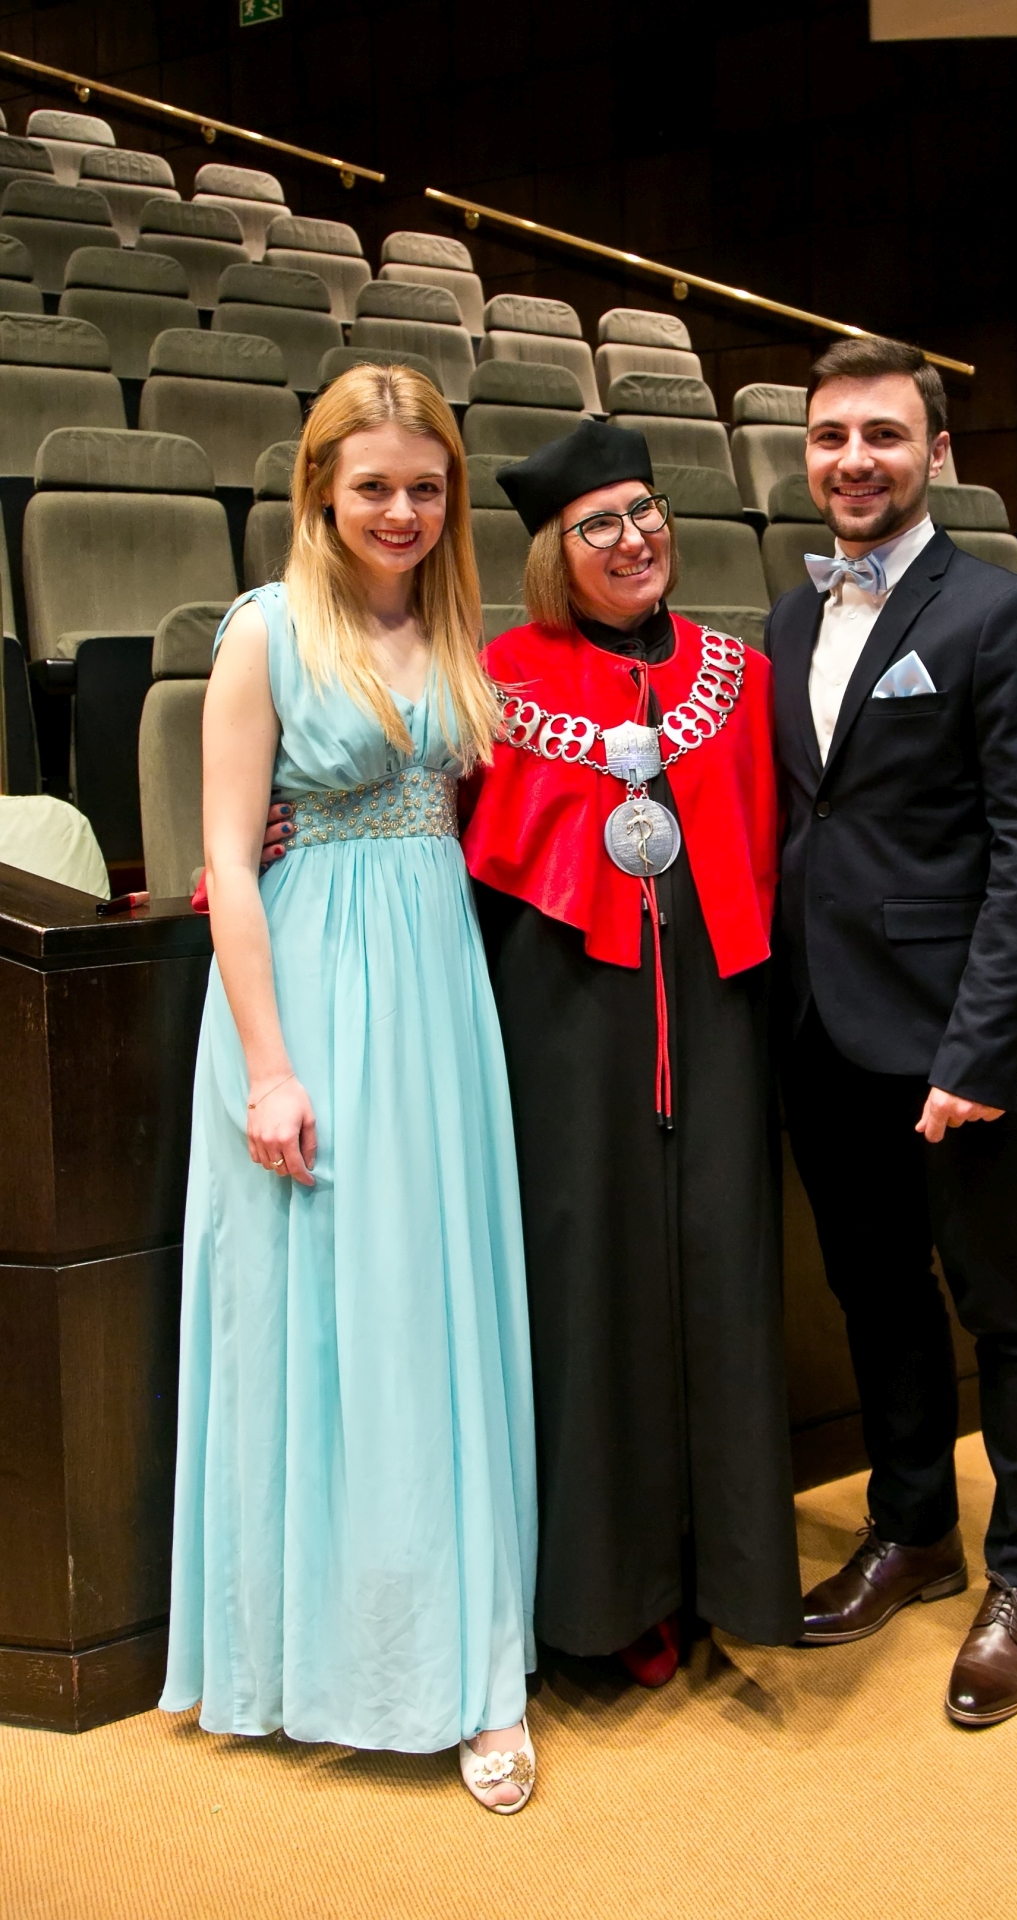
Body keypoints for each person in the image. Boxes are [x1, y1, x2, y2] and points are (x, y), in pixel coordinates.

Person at [160, 364, 540, 1814]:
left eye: (425, 488)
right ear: (319, 485)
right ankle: (316, 1664)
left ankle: (473, 1673)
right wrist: (269, 1070)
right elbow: (225, 863)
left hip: (437, 988)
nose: (401, 511)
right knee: (330, 1325)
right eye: (373, 484)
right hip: (310, 991)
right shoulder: (263, 630)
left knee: (435, 1319)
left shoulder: (453, 626)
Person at [767, 336, 1017, 1727]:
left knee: (1009, 1306)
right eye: (831, 437)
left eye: (883, 436)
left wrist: (981, 1049)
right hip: (821, 1032)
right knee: (877, 1297)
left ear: (936, 452)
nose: (855, 461)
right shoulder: (786, 620)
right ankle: (912, 1533)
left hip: (958, 1045)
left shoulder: (1003, 616)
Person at [461, 420, 802, 1679]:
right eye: (596, 523)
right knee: (586, 1281)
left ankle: (730, 1580)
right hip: (564, 1025)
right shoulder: (495, 680)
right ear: (553, 550)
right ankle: (609, 1601)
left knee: (721, 1272)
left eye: (644, 511)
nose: (631, 538)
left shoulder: (737, 675)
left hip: (715, 1020)